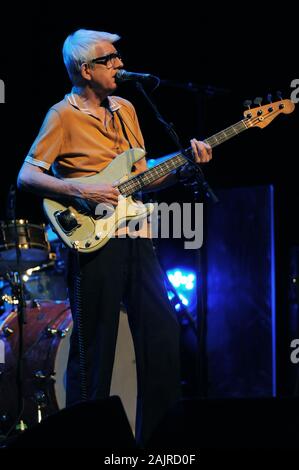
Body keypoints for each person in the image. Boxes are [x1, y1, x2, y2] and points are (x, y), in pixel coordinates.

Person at [17, 29, 212, 446]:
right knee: (94, 354)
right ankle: (86, 446)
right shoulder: (61, 115)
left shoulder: (126, 108)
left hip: (136, 233)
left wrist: (182, 165)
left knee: (162, 338)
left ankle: (159, 446)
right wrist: (81, 190)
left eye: (119, 57)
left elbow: (141, 180)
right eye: (111, 59)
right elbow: (27, 176)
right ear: (86, 70)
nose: (120, 65)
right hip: (92, 242)